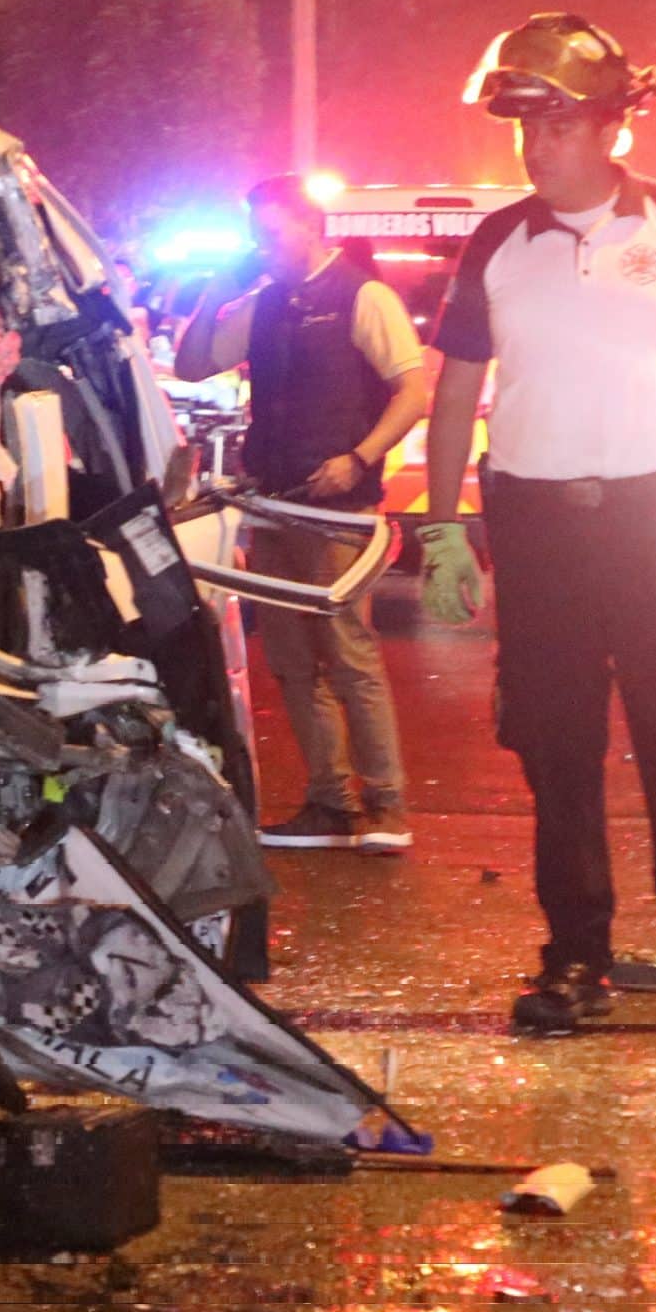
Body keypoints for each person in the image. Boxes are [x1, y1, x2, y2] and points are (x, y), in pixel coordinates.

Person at [416, 11, 656, 1040]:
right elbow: (454, 391)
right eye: (522, 128)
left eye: (554, 125)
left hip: (650, 523)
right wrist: (442, 524)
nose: (535, 146)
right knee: (556, 756)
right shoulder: (496, 240)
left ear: (609, 125)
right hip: (537, 530)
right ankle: (575, 960)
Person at [176, 174, 432, 853]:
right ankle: (329, 799)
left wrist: (361, 456)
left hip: (337, 506)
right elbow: (195, 361)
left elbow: (414, 391)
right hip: (272, 499)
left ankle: (386, 806)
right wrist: (212, 291)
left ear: (309, 225)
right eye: (255, 233)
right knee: (291, 662)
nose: (261, 245)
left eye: (270, 230)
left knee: (349, 653)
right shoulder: (263, 304)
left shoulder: (362, 295)